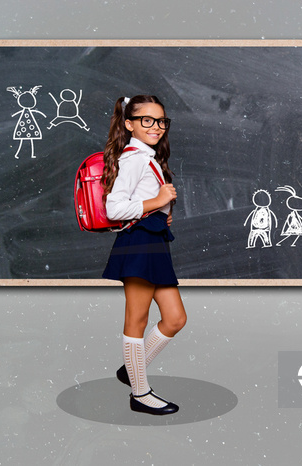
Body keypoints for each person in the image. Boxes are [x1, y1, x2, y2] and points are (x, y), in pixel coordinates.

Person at [101, 95, 187, 415]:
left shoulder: (147, 157)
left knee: (175, 318)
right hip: (138, 244)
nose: (156, 127)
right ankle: (140, 393)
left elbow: (138, 202)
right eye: (146, 120)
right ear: (129, 124)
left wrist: (160, 211)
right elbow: (114, 208)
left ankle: (130, 369)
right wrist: (157, 201)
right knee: (136, 320)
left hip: (153, 240)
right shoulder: (134, 158)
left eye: (161, 121)